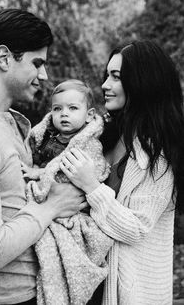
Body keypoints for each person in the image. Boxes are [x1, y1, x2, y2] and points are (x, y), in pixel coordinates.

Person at [0, 9, 87, 305]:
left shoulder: (11, 121)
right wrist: (52, 207)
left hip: (43, 289)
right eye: (37, 63)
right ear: (5, 58)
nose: (44, 75)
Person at [60, 40, 184, 305]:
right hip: (90, 284)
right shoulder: (106, 136)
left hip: (130, 294)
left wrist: (92, 186)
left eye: (116, 77)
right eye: (107, 75)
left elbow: (137, 228)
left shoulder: (158, 155)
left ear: (143, 82)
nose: (105, 85)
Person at [21, 79, 112, 304]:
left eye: (73, 108)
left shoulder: (87, 143)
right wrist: (39, 169)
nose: (64, 114)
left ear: (89, 115)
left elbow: (93, 172)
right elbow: (40, 159)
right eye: (57, 108)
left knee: (67, 260)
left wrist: (40, 174)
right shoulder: (46, 138)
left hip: (74, 212)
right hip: (50, 209)